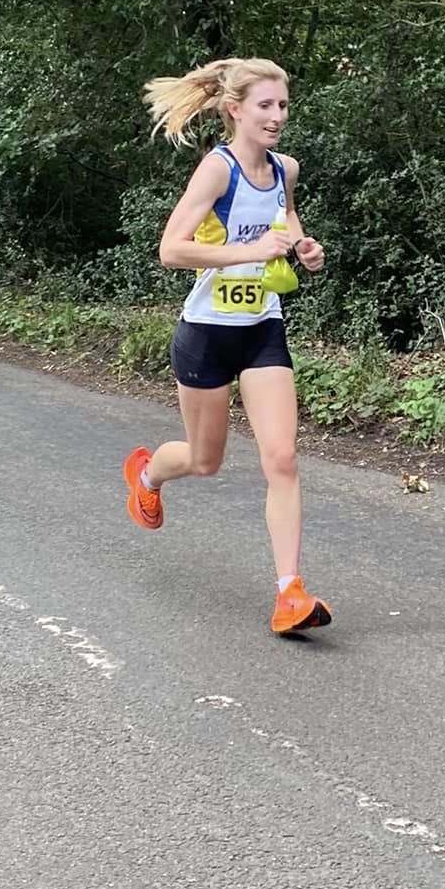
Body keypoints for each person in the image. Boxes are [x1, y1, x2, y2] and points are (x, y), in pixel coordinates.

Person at [122, 57, 333, 636]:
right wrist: (248, 252)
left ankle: (290, 593)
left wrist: (304, 249)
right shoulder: (217, 171)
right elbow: (171, 249)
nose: (277, 116)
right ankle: (147, 476)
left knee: (282, 459)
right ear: (235, 109)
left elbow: (285, 222)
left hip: (262, 330)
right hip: (206, 334)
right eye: (265, 105)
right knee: (205, 461)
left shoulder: (285, 169)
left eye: (283, 105)